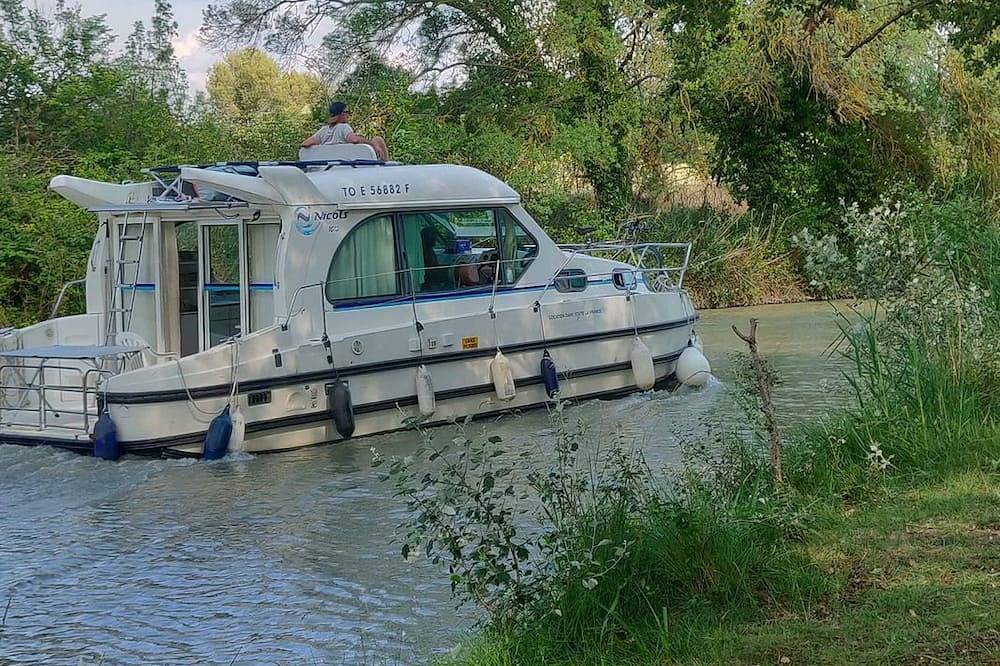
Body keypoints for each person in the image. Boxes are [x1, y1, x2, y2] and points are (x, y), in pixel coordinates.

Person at [301, 101, 389, 160]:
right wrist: (373, 144)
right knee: (377, 139)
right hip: (346, 164)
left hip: (329, 165)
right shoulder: (343, 127)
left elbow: (305, 143)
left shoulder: (323, 131)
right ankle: (386, 164)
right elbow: (353, 140)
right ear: (342, 114)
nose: (348, 114)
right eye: (347, 112)